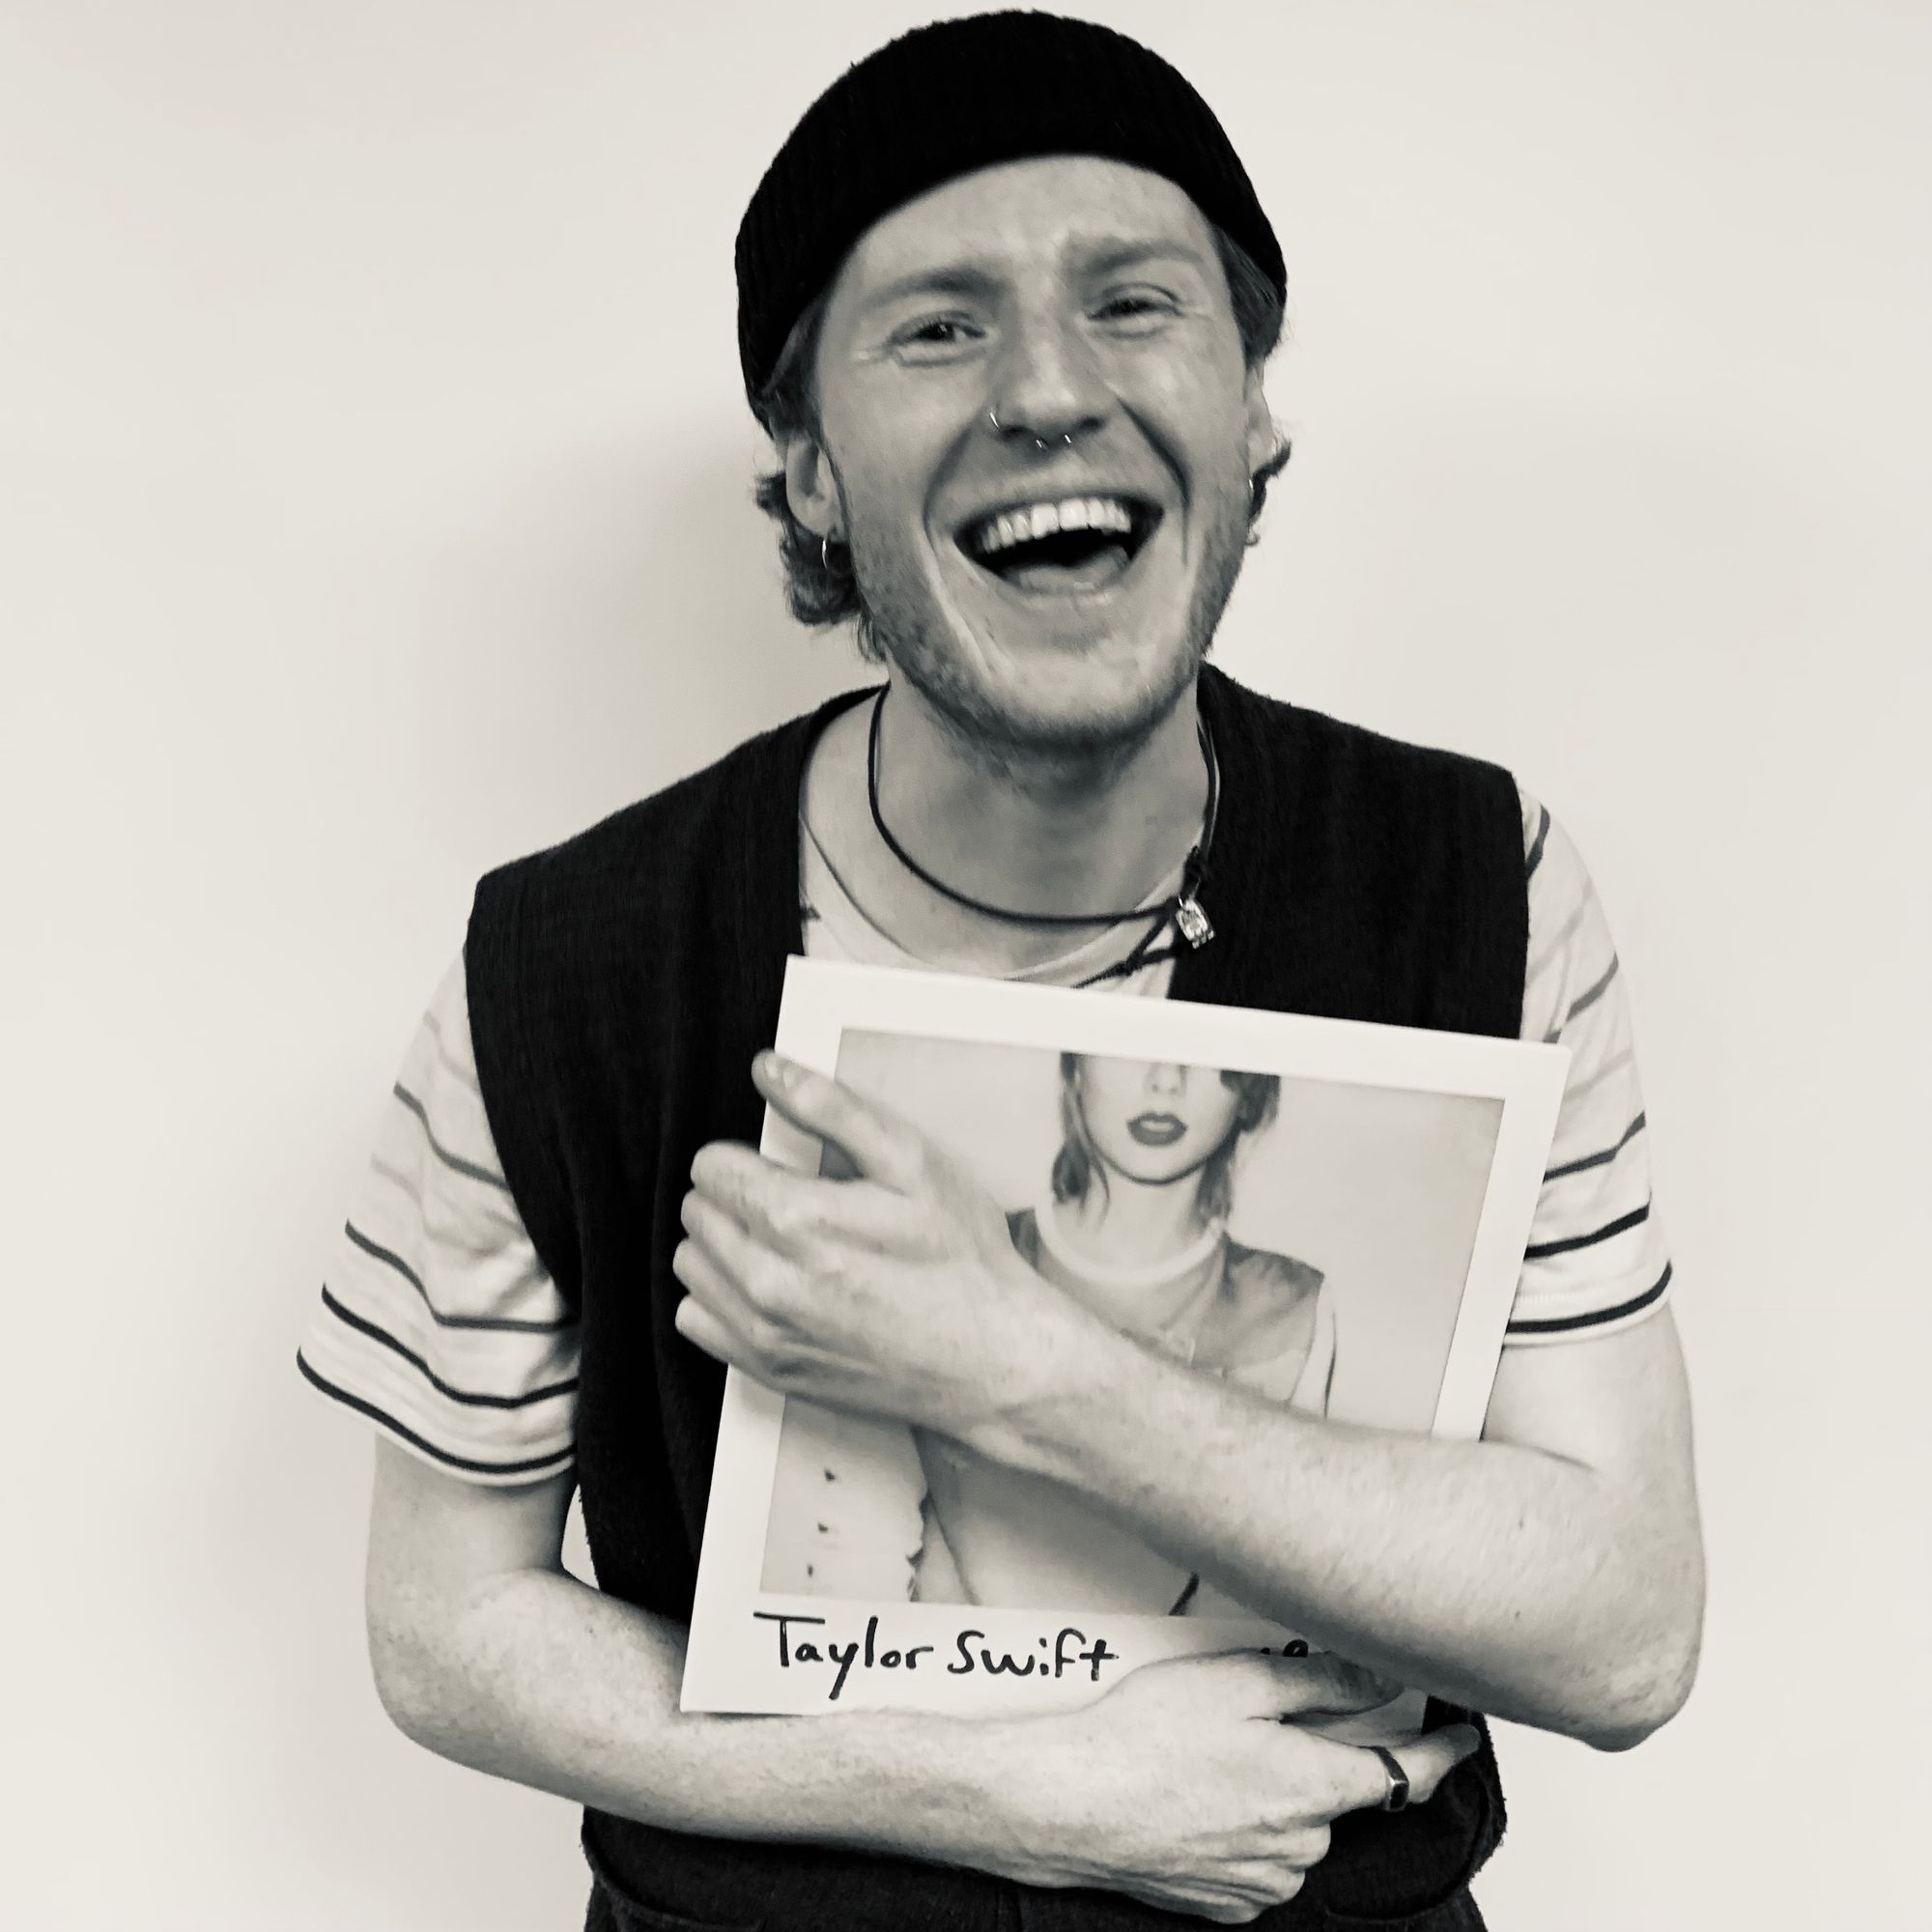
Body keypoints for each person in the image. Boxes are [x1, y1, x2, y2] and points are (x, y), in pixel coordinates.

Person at [297, 14, 1703, 1929]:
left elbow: (1623, 1632)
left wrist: (1015, 1363)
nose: (1049, 388)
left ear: (1252, 409)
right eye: (939, 327)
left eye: (1133, 304)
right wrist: (1013, 1792)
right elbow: (441, 1625)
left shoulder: (1481, 881)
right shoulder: (561, 966)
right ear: (811, 469)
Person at [912, 1054, 1334, 1613]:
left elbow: (1259, 1611)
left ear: (1250, 1090)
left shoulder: (1289, 1309)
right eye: (1135, 1045)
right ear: (1075, 1067)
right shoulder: (960, 1253)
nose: (1166, 1079)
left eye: (1206, 1054)